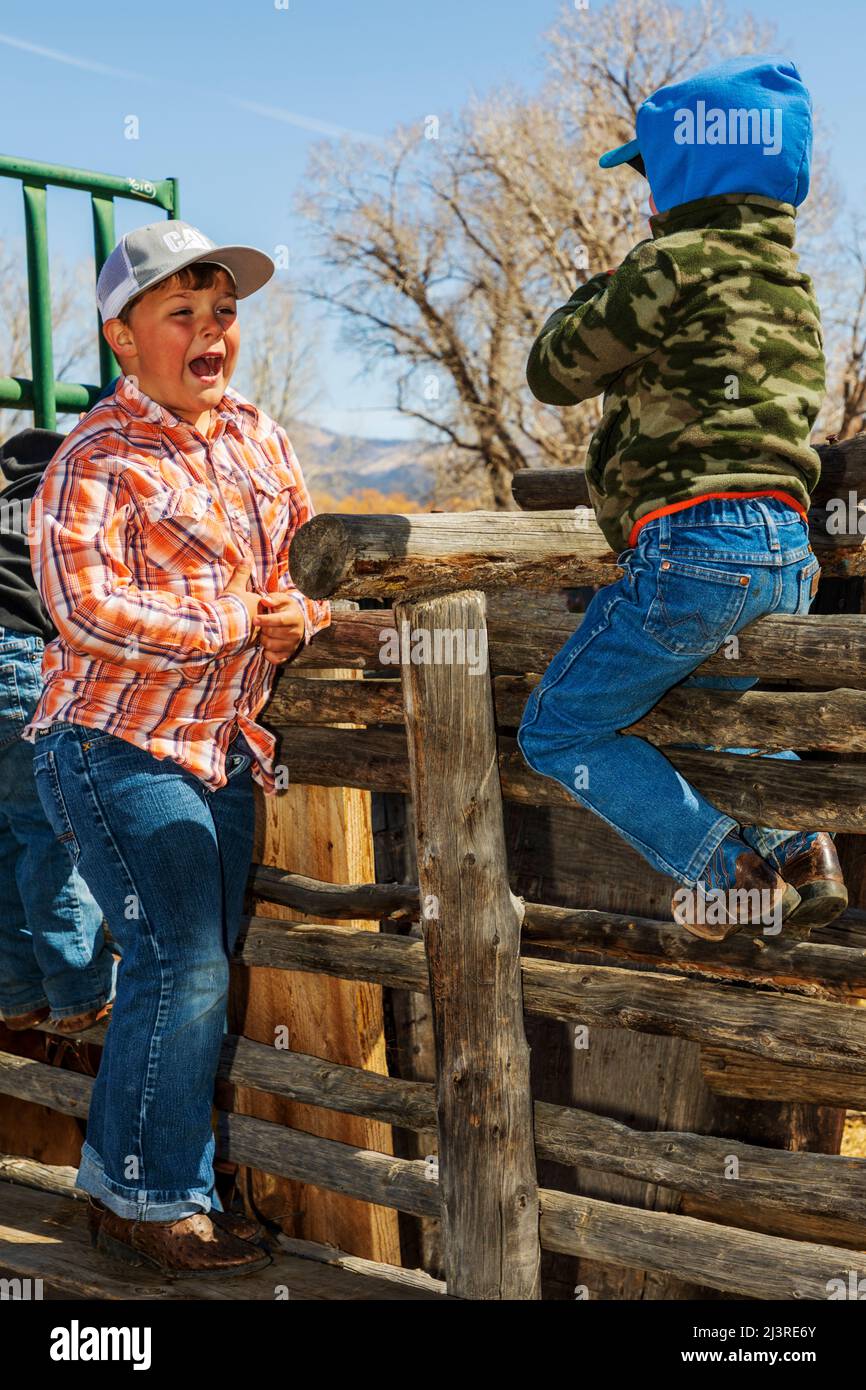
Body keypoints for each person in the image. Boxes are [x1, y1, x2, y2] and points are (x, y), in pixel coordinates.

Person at [21, 218, 331, 1276]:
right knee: (179, 958)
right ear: (122, 338)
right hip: (113, 741)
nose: (211, 332)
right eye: (181, 313)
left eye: (224, 312)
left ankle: (149, 1183)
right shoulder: (93, 458)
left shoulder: (258, 436)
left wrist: (314, 618)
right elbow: (84, 610)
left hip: (222, 746)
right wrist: (242, 623)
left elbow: (301, 571)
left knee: (191, 962)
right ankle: (150, 1199)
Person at [517, 55, 847, 941]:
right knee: (718, 718)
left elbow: (552, 370)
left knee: (556, 731)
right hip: (784, 554)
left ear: (681, 176)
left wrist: (613, 274)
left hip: (692, 552)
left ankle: (726, 867)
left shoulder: (666, 268)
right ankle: (803, 851)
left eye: (650, 176)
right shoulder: (793, 287)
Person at [0, 429, 116, 1032]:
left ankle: (18, 991)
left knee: (4, 834)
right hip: (16, 660)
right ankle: (78, 988)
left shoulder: (5, 515)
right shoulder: (65, 508)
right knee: (48, 828)